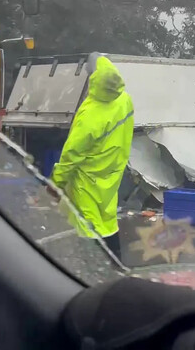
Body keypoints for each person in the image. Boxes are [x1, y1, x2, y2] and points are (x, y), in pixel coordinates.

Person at [50, 52, 134, 258]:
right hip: (110, 174)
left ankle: (94, 275)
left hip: (87, 181)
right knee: (107, 220)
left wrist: (55, 183)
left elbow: (72, 155)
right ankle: (116, 268)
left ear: (93, 79)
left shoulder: (91, 113)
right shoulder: (124, 100)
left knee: (89, 227)